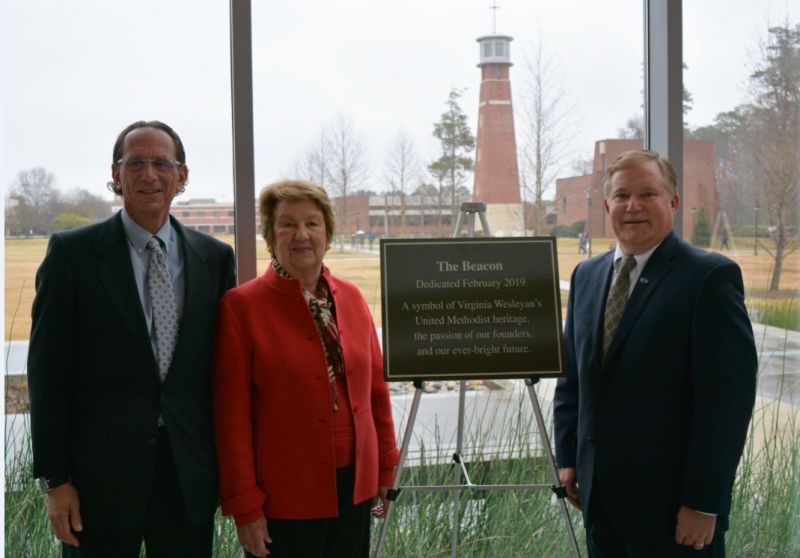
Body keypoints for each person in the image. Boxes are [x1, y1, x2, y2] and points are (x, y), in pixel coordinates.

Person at [28, 120, 236, 557]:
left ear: (182, 176)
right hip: (96, 482)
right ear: (116, 173)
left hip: (187, 477)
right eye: (135, 162)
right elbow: (48, 376)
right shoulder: (73, 255)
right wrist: (56, 480)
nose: (148, 174)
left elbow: (222, 373)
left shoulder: (214, 259)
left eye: (162, 163)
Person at [553, 150, 757, 558]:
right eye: (622, 195)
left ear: (673, 202)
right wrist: (570, 455)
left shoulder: (708, 279)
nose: (633, 206)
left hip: (675, 515)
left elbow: (726, 404)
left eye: (648, 193)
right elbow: (574, 379)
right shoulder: (587, 276)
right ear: (607, 204)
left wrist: (704, 502)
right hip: (601, 506)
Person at [213, 179, 399, 558]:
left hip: (355, 487)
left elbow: (377, 391)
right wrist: (245, 506)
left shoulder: (351, 297)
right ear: (270, 235)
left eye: (312, 223)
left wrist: (385, 466)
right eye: (287, 224)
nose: (302, 235)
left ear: (327, 233)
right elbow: (232, 420)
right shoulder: (241, 308)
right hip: (284, 495)